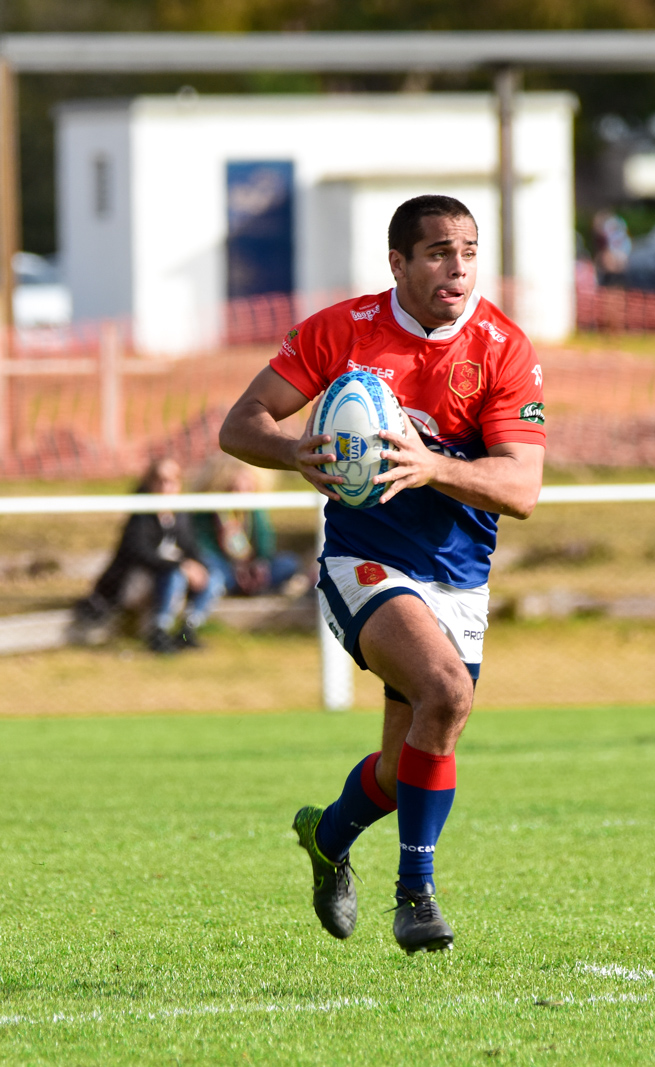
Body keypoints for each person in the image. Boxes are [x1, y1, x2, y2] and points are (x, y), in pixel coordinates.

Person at [219, 194, 546, 954]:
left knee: (406, 768)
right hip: (362, 561)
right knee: (447, 691)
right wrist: (295, 452)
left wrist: (431, 465)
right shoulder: (345, 332)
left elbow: (522, 489)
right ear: (397, 262)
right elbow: (242, 424)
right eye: (437, 252)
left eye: (467, 250)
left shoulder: (503, 347)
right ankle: (416, 897)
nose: (456, 266)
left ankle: (327, 838)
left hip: (458, 577)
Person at [76, 457, 218, 654]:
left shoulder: (181, 516)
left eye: (171, 481)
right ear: (150, 483)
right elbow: (139, 553)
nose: (165, 487)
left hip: (164, 581)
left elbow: (192, 550)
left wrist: (198, 567)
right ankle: (159, 633)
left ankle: (187, 631)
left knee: (211, 575)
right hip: (133, 584)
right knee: (175, 574)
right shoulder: (141, 515)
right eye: (159, 480)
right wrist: (181, 565)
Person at [191, 456, 301, 598]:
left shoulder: (254, 511)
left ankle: (254, 585)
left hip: (252, 567)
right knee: (214, 569)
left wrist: (260, 563)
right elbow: (204, 547)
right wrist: (236, 566)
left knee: (289, 563)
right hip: (225, 566)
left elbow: (265, 544)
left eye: (247, 488)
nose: (242, 494)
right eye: (235, 488)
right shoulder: (208, 513)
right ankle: (236, 585)